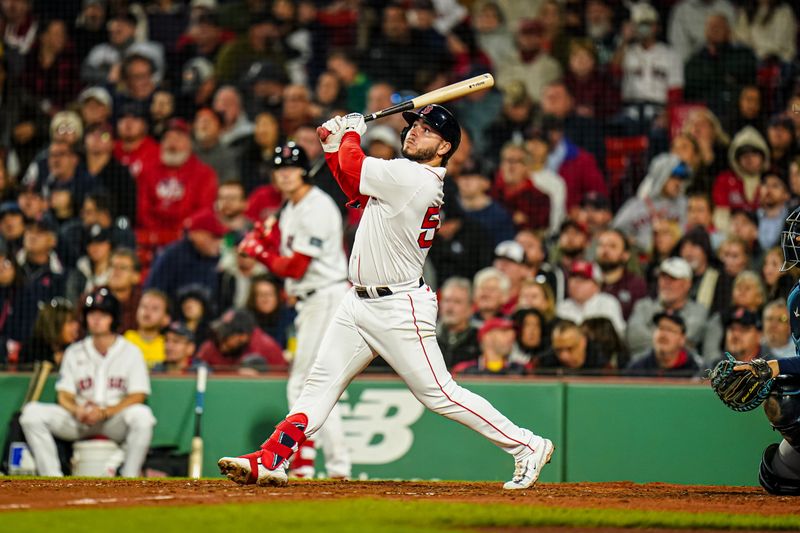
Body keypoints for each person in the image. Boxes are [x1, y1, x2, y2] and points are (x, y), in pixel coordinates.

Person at [218, 105, 554, 490]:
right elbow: (350, 182)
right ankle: (272, 458)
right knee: (318, 383)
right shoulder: (402, 174)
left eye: (427, 131)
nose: (414, 132)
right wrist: (333, 147)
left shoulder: (416, 178)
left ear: (445, 146)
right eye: (415, 126)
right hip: (357, 301)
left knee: (441, 394)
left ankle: (527, 445)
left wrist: (349, 134)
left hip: (399, 307)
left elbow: (356, 167)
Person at [239, 142, 351, 480]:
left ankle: (312, 463)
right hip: (311, 300)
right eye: (279, 168)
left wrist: (260, 252)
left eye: (291, 167)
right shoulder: (289, 208)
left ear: (303, 171)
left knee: (304, 384)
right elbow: (287, 257)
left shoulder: (317, 207)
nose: (285, 173)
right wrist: (269, 240)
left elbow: (296, 267)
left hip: (327, 296)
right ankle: (330, 465)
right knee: (319, 385)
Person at [19, 288, 156, 477]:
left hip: (113, 419)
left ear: (113, 318)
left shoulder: (130, 351)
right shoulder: (74, 351)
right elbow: (64, 394)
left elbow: (138, 395)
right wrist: (77, 410)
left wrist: (106, 412)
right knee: (31, 414)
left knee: (143, 416)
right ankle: (52, 479)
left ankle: (129, 479)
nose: (96, 319)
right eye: (92, 314)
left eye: (103, 314)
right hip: (80, 420)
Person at [196, 308, 285, 373]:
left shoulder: (266, 347)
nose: (220, 338)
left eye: (225, 335)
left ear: (243, 337)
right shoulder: (211, 346)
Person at [625, 311, 703, 377]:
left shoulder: (697, 370)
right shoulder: (636, 368)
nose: (663, 334)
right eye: (660, 328)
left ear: (682, 339)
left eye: (670, 330)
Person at [453, 317, 524, 376]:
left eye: (512, 333)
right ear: (487, 337)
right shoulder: (463, 370)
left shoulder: (521, 370)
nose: (512, 336)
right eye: (504, 331)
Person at [436, 277, 481, 369]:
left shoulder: (480, 339)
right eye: (447, 300)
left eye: (457, 302)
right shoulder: (426, 335)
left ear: (471, 308)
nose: (450, 307)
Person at [123, 289, 171, 370]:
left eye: (155, 309)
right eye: (144, 306)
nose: (147, 312)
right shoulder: (125, 339)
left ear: (166, 318)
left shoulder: (168, 346)